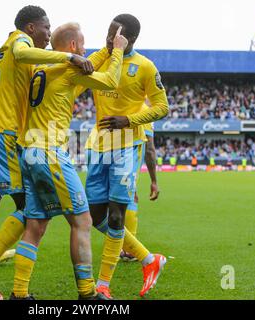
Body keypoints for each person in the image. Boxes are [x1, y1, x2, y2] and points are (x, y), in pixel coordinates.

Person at [0, 22, 127, 300]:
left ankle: (19, 292)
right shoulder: (67, 68)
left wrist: (105, 48)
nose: (85, 49)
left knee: (36, 224)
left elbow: (82, 69)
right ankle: (87, 293)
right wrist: (118, 52)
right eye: (84, 43)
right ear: (74, 47)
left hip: (28, 152)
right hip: (49, 152)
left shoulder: (42, 69)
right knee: (82, 220)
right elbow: (111, 81)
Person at [0, 5, 93, 301]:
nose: (47, 33)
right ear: (31, 27)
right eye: (45, 27)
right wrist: (70, 56)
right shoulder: (20, 41)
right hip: (3, 134)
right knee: (32, 211)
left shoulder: (16, 56)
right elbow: (23, 53)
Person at [83, 14, 169, 299]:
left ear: (130, 38)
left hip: (127, 145)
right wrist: (107, 49)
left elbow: (162, 107)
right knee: (95, 216)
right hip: (98, 145)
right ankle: (148, 258)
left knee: (117, 213)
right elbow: (82, 70)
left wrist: (130, 120)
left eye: (114, 34)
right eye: (107, 32)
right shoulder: (102, 59)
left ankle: (103, 286)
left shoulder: (145, 67)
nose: (108, 38)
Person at [121, 118, 159, 262]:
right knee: (130, 199)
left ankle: (120, 244)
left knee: (112, 201)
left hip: (106, 156)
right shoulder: (144, 112)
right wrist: (154, 181)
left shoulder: (117, 103)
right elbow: (149, 150)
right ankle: (129, 249)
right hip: (127, 163)